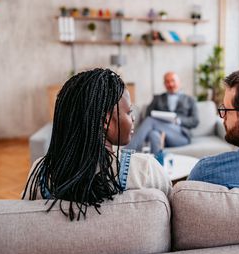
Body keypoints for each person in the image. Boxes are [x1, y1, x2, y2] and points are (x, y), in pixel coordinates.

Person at [22, 68, 171, 221]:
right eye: (129, 112)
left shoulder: (41, 173)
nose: (132, 119)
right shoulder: (144, 170)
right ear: (105, 121)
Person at [126, 71, 199, 155]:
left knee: (150, 121)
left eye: (173, 81)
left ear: (179, 82)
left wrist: (178, 120)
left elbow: (195, 121)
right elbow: (148, 115)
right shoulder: (158, 98)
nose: (170, 84)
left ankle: (128, 151)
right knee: (153, 134)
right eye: (167, 82)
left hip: (180, 136)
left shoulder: (189, 99)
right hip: (161, 135)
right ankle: (158, 164)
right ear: (164, 84)